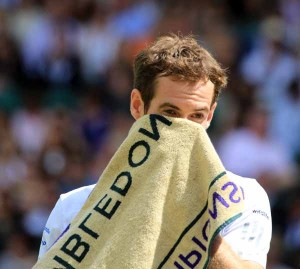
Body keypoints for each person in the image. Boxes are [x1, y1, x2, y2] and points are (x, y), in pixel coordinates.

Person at [38, 34, 272, 269]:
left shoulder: (244, 198)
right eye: (169, 113)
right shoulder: (72, 207)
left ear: (210, 116)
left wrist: (190, 215)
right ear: (138, 106)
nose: (185, 129)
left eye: (197, 116)